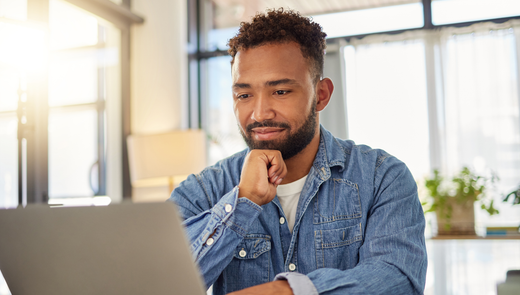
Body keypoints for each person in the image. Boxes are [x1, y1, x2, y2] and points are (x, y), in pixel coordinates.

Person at [169, 8, 427, 295]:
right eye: (244, 95)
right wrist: (243, 202)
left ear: (321, 95)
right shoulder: (203, 191)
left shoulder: (382, 177)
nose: (259, 113)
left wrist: (286, 292)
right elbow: (161, 283)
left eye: (280, 91)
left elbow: (399, 279)